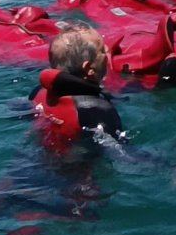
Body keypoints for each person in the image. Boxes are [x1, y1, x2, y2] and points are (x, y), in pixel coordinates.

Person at [29, 25, 124, 153]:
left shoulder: (38, 92)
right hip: (73, 170)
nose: (107, 51)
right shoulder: (97, 109)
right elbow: (119, 149)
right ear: (89, 69)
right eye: (102, 50)